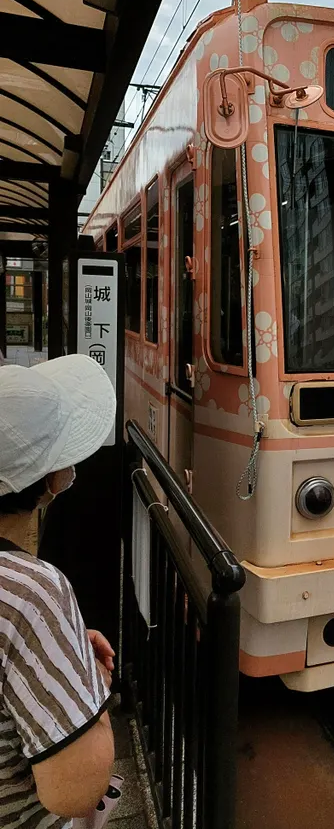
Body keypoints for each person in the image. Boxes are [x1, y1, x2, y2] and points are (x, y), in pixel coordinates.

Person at [0, 354, 117, 827]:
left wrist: (55, 656)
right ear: (52, 480)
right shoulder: (31, 593)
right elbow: (76, 791)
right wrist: (91, 688)